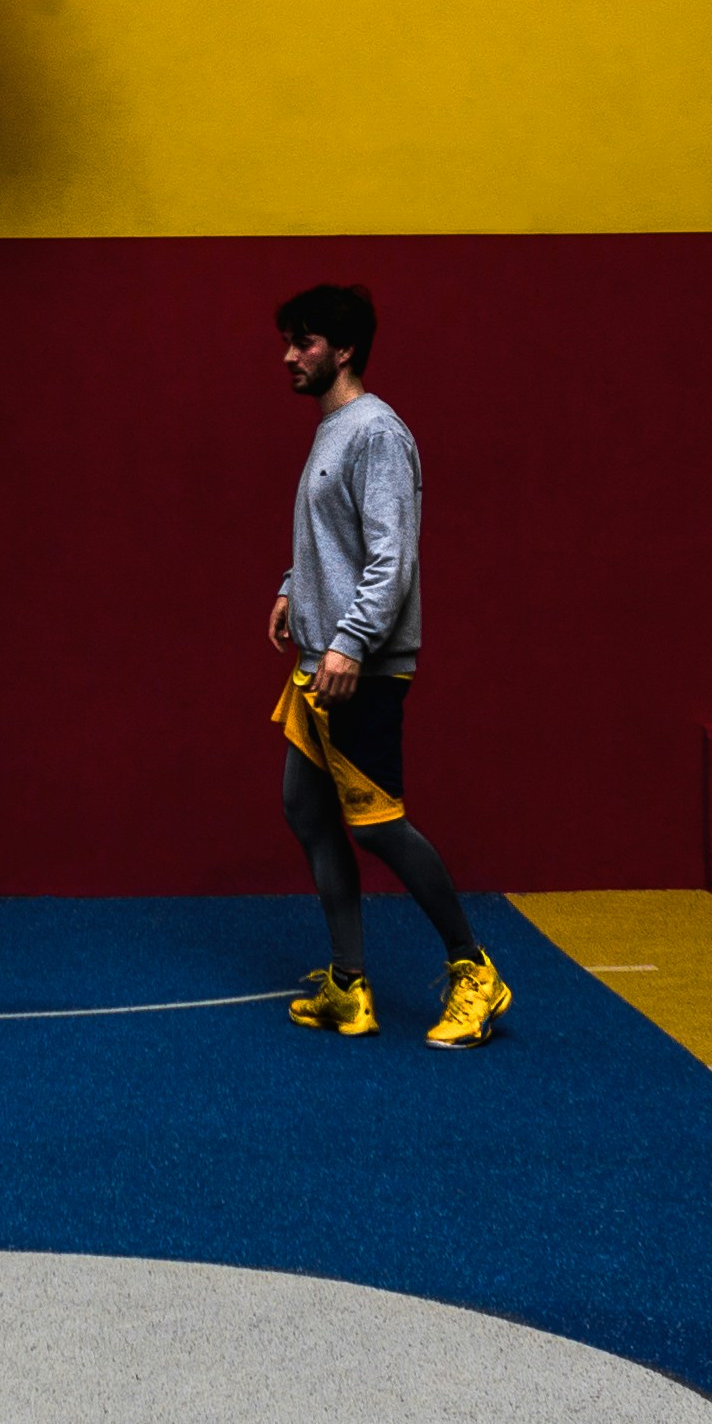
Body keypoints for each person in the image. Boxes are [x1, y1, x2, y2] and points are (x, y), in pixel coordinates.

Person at [267, 282, 508, 1049]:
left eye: (304, 343)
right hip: (320, 660)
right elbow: (332, 539)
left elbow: (391, 558)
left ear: (343, 350)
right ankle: (349, 985)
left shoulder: (376, 433)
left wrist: (350, 642)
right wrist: (292, 588)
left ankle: (475, 971)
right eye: (288, 342)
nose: (289, 356)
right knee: (307, 810)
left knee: (377, 828)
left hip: (356, 667)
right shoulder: (333, 428)